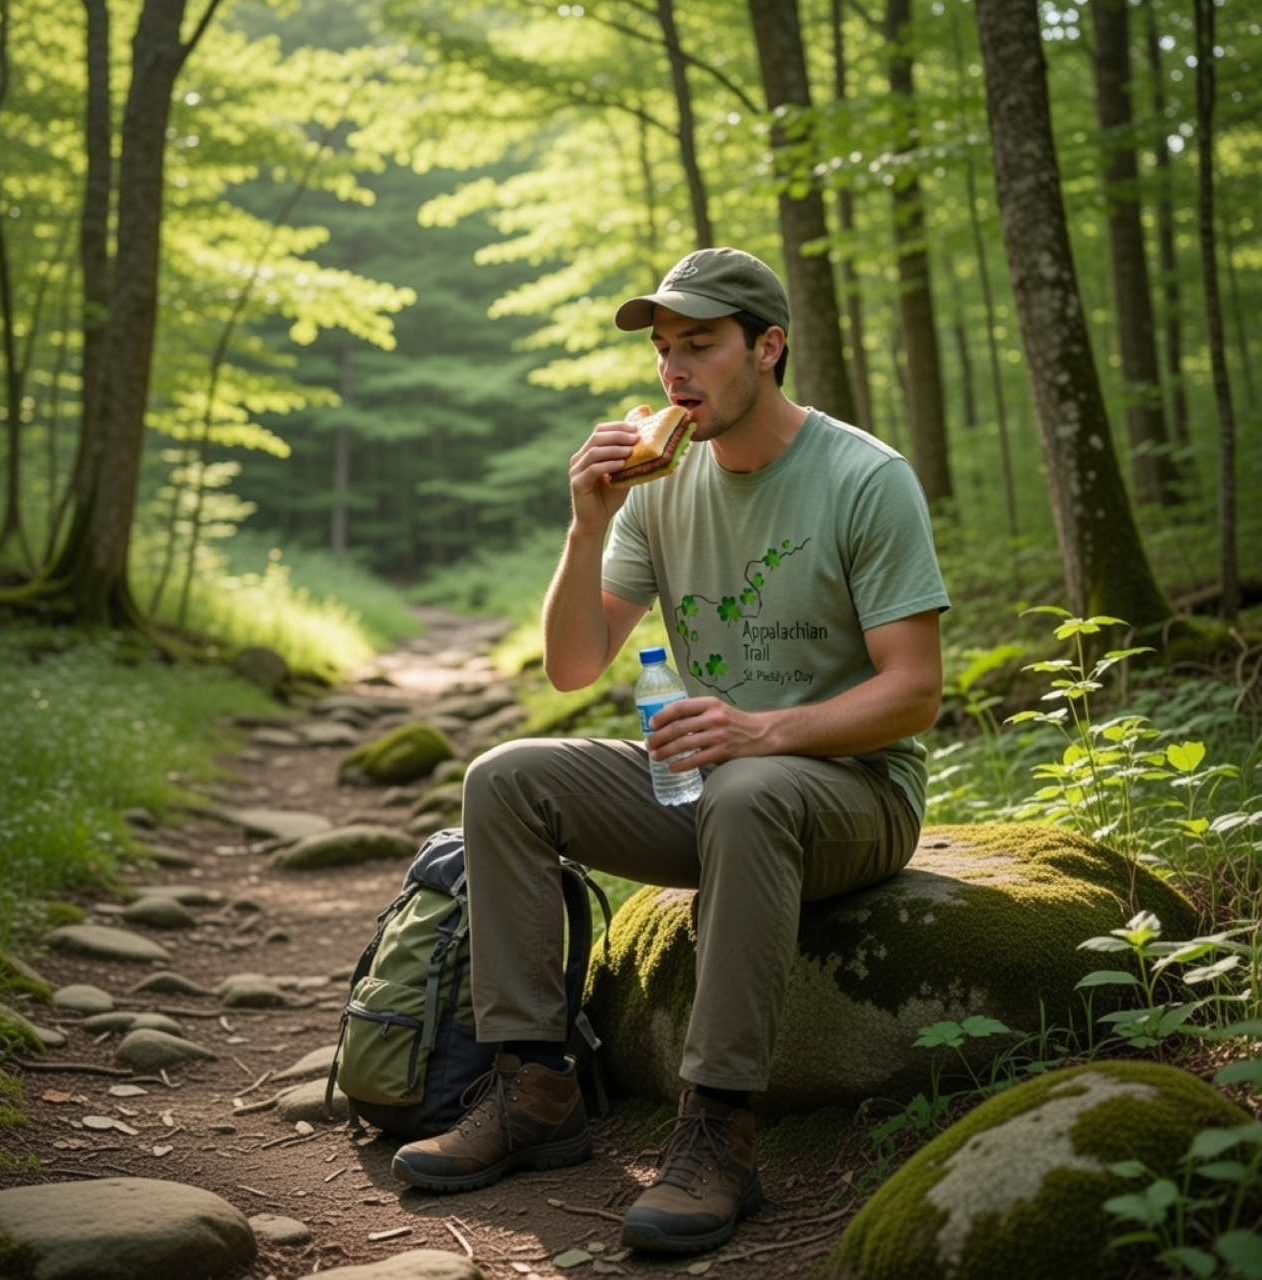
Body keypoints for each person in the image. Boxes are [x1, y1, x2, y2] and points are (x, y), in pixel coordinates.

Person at [391, 247, 950, 1254]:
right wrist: (586, 520)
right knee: (504, 779)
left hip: (851, 794)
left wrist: (760, 729)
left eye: (699, 344)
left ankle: (716, 1130)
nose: (673, 370)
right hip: (712, 785)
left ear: (766, 346)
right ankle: (533, 1085)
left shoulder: (863, 478)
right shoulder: (657, 487)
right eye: (661, 349)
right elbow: (572, 664)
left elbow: (913, 690)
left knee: (747, 793)